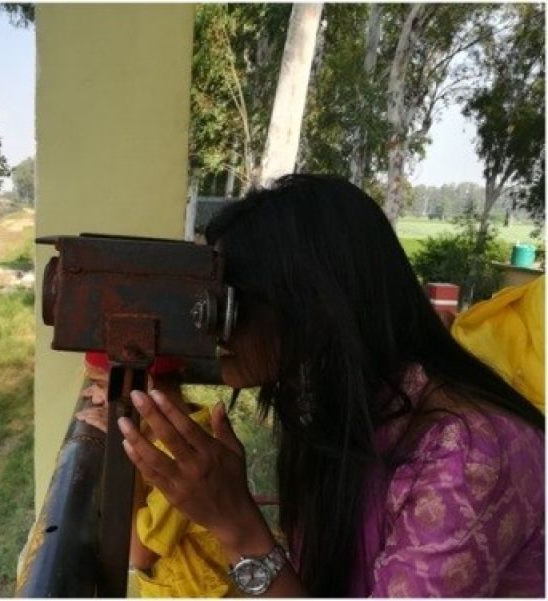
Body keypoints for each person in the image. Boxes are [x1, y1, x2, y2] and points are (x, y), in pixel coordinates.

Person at [116, 174, 545, 597]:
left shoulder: (469, 458)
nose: (212, 332)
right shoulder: (351, 408)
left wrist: (238, 527)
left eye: (229, 305)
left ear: (315, 306)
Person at [77, 351, 237, 597]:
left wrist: (125, 445)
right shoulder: (185, 429)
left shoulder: (185, 456)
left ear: (143, 387)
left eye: (100, 385)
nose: (98, 400)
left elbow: (141, 555)